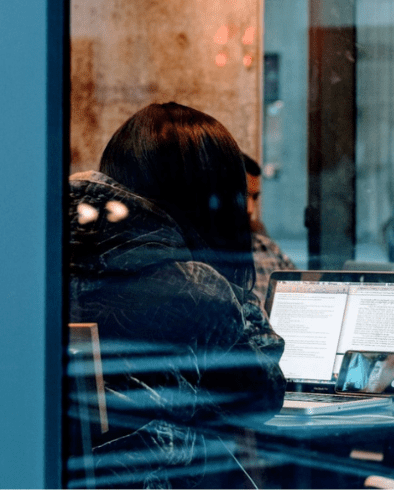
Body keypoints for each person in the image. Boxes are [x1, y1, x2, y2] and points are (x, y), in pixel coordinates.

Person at [68, 102, 286, 488]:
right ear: (211, 200)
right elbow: (262, 397)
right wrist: (228, 276)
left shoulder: (50, 259)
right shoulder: (194, 288)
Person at [243, 152, 296, 309]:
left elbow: (304, 291)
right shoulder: (204, 256)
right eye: (244, 196)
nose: (250, 208)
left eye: (255, 197)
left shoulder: (267, 247)